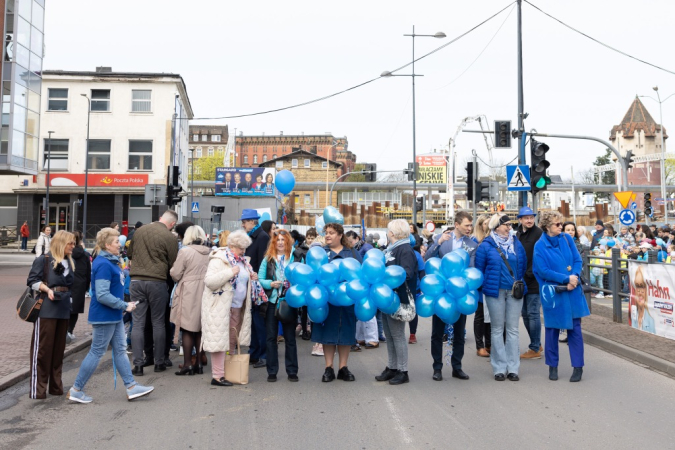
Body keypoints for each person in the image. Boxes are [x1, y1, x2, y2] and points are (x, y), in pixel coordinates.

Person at [68, 228, 154, 403]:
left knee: (120, 350)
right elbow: (101, 294)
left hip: (112, 314)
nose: (119, 244)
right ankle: (76, 389)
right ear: (107, 245)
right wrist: (124, 305)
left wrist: (123, 306)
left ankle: (131, 387)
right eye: (116, 242)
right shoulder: (104, 264)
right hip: (105, 315)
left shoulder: (109, 262)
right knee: (97, 351)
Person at [533, 211, 590, 382]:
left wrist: (575, 277)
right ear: (547, 226)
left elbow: (577, 260)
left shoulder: (566, 239)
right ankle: (553, 366)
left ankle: (578, 367)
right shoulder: (540, 245)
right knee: (552, 330)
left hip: (572, 290)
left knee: (575, 330)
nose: (561, 227)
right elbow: (542, 270)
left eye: (561, 223)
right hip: (554, 292)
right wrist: (566, 279)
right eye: (557, 224)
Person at [424, 211, 477, 381]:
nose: (470, 228)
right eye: (467, 225)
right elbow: (427, 259)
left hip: (460, 293)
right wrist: (437, 243)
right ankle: (437, 367)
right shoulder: (441, 239)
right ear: (457, 224)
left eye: (471, 225)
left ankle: (457, 367)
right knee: (437, 333)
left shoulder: (472, 245)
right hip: (440, 293)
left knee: (459, 333)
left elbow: (472, 267)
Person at [475, 214, 527, 382]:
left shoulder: (516, 243)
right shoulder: (486, 245)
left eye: (510, 224)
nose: (509, 227)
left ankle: (513, 368)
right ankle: (499, 367)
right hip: (495, 291)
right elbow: (479, 269)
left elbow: (523, 264)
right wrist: (486, 287)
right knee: (497, 329)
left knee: (512, 329)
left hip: (514, 291)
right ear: (497, 226)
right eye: (506, 224)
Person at [127, 210, 179, 375]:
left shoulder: (139, 231)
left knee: (138, 323)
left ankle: (138, 365)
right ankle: (159, 362)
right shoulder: (170, 237)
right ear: (172, 224)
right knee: (158, 322)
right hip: (157, 281)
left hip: (136, 281)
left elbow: (129, 253)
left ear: (160, 219)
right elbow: (173, 263)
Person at [26, 230, 76, 399]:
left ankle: (56, 387)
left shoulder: (70, 261)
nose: (73, 246)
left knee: (58, 350)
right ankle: (38, 390)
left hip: (63, 308)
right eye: (71, 243)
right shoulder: (44, 259)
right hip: (47, 308)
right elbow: (32, 281)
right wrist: (47, 289)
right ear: (61, 243)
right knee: (43, 350)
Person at [202, 230, 255, 386]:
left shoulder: (243, 261)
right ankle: (217, 376)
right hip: (220, 306)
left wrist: (253, 278)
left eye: (245, 248)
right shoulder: (218, 259)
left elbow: (243, 279)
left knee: (231, 339)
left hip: (237, 306)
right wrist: (229, 272)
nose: (243, 251)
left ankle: (227, 372)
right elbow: (210, 281)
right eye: (240, 248)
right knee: (219, 341)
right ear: (231, 246)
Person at [312, 223, 362, 382]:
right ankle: (329, 367)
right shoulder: (321, 253)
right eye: (326, 233)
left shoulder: (352, 253)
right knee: (328, 334)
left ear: (340, 235)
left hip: (347, 300)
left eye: (331, 233)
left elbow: (361, 274)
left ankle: (343, 367)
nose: (328, 235)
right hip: (327, 301)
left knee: (346, 333)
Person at [374, 220, 418, 385]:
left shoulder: (404, 249)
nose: (387, 232)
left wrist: (386, 277)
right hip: (387, 297)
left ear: (393, 232)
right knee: (390, 335)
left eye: (388, 230)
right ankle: (392, 367)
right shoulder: (392, 249)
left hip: (398, 298)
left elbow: (406, 273)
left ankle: (402, 370)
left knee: (398, 335)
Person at [258, 229, 299, 382]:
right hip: (271, 302)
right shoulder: (268, 259)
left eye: (283, 240)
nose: (281, 242)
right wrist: (271, 283)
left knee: (290, 338)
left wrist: (292, 284)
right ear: (274, 243)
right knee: (270, 338)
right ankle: (272, 371)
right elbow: (260, 279)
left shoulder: (295, 257)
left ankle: (292, 371)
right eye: (278, 240)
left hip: (289, 302)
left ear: (288, 241)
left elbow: (302, 277)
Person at [171, 226, 210, 375]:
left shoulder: (185, 251)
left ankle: (188, 364)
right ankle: (199, 362)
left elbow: (175, 274)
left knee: (187, 327)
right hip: (205, 290)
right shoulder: (209, 251)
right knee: (200, 327)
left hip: (189, 290)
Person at [241, 209, 270, 369]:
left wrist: (257, 279)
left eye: (244, 222)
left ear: (253, 221)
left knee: (259, 321)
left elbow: (262, 264)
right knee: (253, 320)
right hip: (252, 284)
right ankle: (255, 352)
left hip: (257, 286)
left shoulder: (262, 237)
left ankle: (262, 354)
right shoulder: (253, 236)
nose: (243, 225)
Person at [516, 207, 543, 360]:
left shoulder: (538, 234)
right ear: (520, 219)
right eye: (526, 218)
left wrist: (529, 274)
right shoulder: (519, 233)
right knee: (525, 314)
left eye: (531, 217)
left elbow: (539, 257)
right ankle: (536, 343)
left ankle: (534, 348)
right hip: (522, 281)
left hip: (534, 280)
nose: (529, 220)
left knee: (532, 314)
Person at [472, 214, 492, 357]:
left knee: (490, 315)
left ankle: (489, 344)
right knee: (480, 315)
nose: (488, 225)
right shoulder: (474, 241)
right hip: (479, 282)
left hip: (490, 281)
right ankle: (480, 346)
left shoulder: (492, 239)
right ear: (480, 225)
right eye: (485, 223)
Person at [68, 231, 91, 343]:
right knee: (75, 310)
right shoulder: (85, 255)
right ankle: (70, 331)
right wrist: (86, 287)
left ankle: (64, 330)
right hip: (80, 284)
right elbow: (88, 273)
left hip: (68, 284)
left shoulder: (67, 253)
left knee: (65, 307)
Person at [630, 266, 656, 333]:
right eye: (637, 286)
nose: (640, 292)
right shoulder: (634, 314)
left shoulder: (651, 322)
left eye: (643, 286)